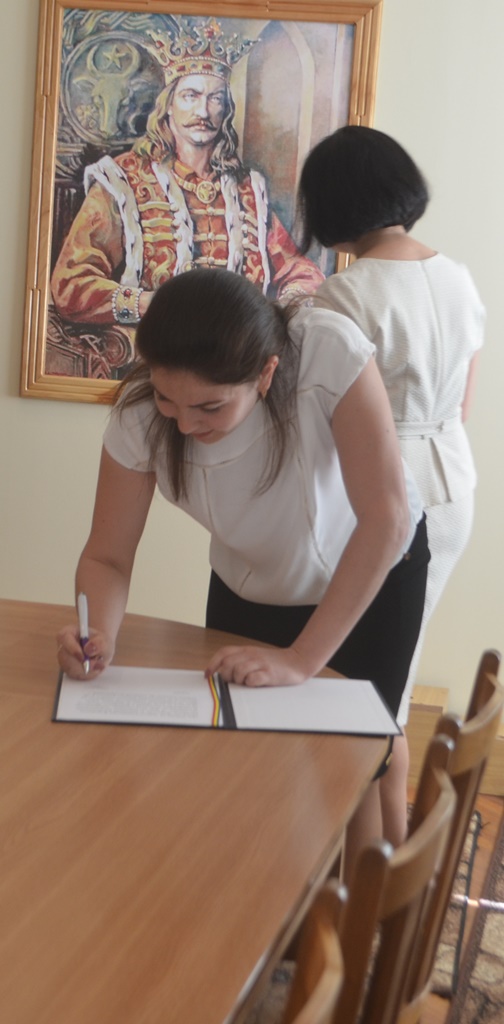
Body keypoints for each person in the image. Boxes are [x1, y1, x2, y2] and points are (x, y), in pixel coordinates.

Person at [57, 268, 429, 878]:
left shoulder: (327, 351)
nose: (184, 425)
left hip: (373, 571)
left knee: (360, 759)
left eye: (210, 406)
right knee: (242, 756)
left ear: (265, 373)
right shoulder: (140, 417)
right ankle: (262, 890)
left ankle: (361, 912)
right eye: (168, 399)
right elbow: (107, 556)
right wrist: (98, 632)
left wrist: (301, 660)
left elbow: (386, 520)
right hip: (250, 581)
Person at [297, 124, 485, 838]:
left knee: (371, 697)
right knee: (390, 685)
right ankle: (390, 862)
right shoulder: (458, 276)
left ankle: (381, 868)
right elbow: (461, 405)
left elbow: (328, 421)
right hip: (452, 484)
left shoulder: (344, 296)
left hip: (383, 497)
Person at [50, 16, 324, 337]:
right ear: (168, 105)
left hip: (234, 347)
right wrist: (155, 304)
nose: (203, 112)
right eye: (190, 96)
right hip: (153, 345)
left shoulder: (247, 189)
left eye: (215, 99)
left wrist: (277, 312)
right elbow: (71, 285)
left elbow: (302, 273)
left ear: (226, 110)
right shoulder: (122, 181)